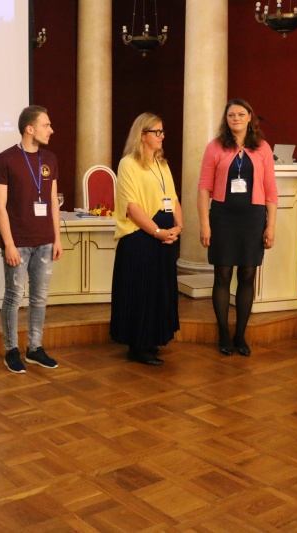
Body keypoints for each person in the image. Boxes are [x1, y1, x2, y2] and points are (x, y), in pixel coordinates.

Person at [198, 98, 277, 357]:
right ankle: (223, 332)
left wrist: (271, 226)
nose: (236, 119)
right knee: (222, 275)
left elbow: (271, 190)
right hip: (222, 217)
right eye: (231, 115)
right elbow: (203, 188)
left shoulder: (262, 148)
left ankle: (240, 334)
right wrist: (205, 224)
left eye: (241, 114)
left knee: (247, 275)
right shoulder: (215, 146)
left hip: (253, 219)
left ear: (250, 117)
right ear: (226, 119)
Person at [0, 105, 63, 373]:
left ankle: (35, 347)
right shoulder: (4, 160)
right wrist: (9, 244)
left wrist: (57, 238)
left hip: (45, 240)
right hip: (18, 242)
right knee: (14, 296)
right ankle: (11, 350)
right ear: (29, 129)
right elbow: (0, 207)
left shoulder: (50, 159)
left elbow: (52, 201)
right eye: (46, 125)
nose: (51, 130)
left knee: (40, 297)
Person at [110, 113, 182, 365]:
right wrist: (157, 232)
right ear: (142, 135)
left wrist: (178, 227)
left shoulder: (162, 164)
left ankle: (152, 339)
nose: (162, 136)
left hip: (163, 236)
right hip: (139, 237)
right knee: (140, 292)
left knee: (158, 291)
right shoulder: (128, 164)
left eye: (162, 132)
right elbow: (131, 207)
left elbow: (173, 199)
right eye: (156, 132)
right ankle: (137, 346)